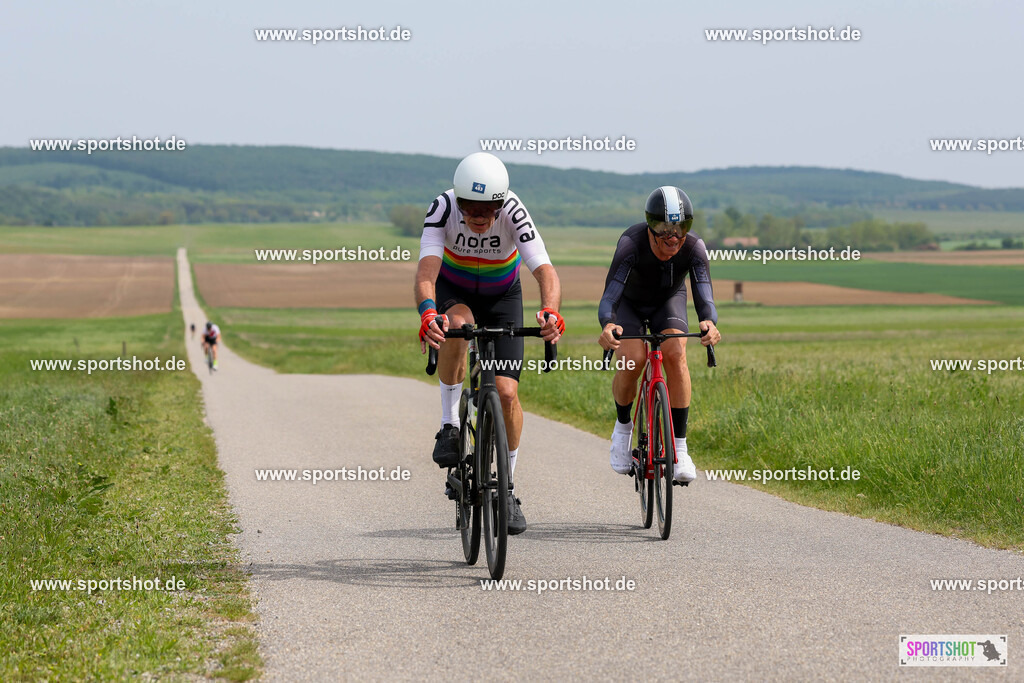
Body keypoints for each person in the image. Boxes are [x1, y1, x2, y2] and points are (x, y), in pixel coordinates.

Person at [415, 152, 564, 535]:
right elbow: (426, 273)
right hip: (455, 289)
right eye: (471, 208)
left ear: (501, 203)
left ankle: (507, 489)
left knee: (507, 392)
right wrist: (429, 314)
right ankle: (450, 425)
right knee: (458, 325)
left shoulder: (514, 210)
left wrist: (550, 312)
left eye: (488, 208)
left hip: (502, 297)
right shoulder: (443, 207)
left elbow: (545, 270)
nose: (479, 217)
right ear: (459, 201)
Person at [597, 186, 721, 482]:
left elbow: (704, 295)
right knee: (633, 358)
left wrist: (709, 322)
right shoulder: (631, 243)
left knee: (676, 353)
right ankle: (623, 428)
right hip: (630, 304)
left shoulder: (694, 248)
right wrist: (607, 323)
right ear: (650, 227)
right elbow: (610, 295)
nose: (673, 238)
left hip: (668, 302)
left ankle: (680, 448)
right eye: (664, 229)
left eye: (680, 229)